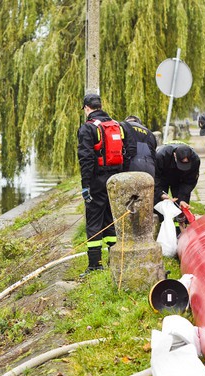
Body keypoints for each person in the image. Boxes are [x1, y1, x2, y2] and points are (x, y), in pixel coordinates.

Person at [77, 93, 123, 273]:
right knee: (109, 218)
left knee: (94, 220)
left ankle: (95, 264)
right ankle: (114, 258)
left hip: (96, 180)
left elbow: (86, 158)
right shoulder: (115, 125)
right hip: (114, 179)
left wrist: (85, 185)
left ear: (87, 108)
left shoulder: (88, 128)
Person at [154, 143, 200, 210]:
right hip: (162, 177)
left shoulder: (195, 160)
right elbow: (155, 176)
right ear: (174, 155)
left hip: (180, 179)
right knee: (160, 207)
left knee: (182, 207)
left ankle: (181, 219)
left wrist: (182, 199)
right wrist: (160, 194)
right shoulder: (161, 155)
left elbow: (190, 181)